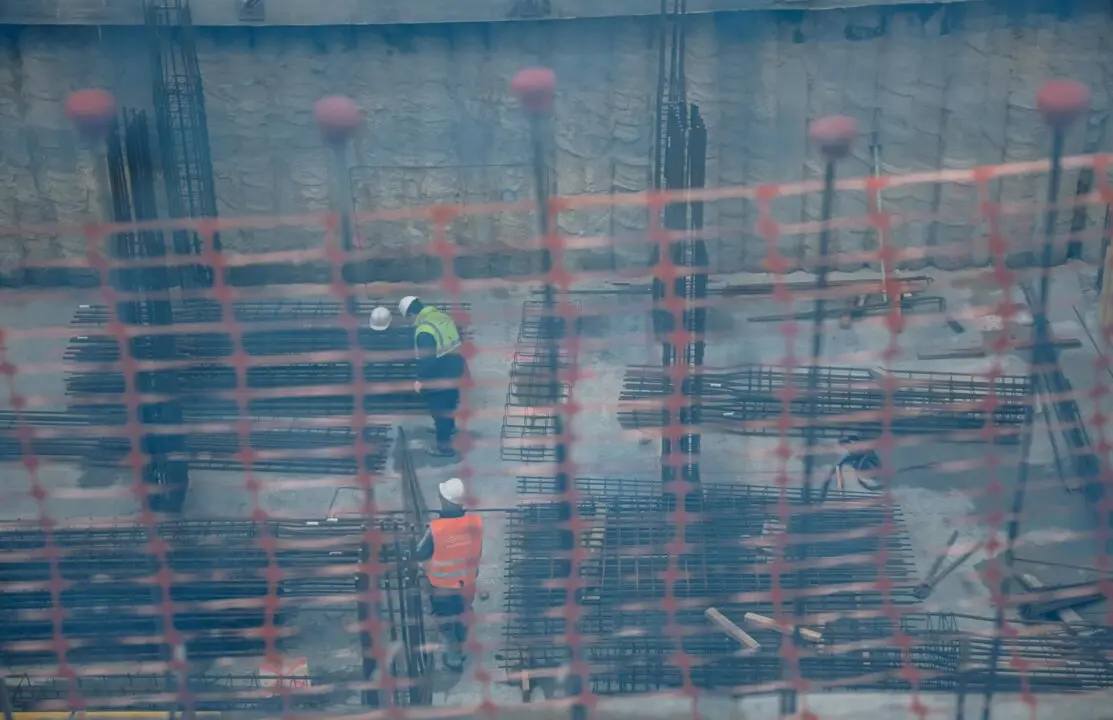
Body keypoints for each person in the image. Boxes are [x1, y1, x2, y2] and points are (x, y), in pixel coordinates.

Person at [415, 477, 483, 671]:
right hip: (467, 584)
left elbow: (420, 553)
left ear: (444, 500)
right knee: (462, 615)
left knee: (445, 620)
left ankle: (453, 656)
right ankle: (460, 646)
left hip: (442, 588)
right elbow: (477, 552)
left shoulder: (436, 529)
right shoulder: (475, 523)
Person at [398, 295, 467, 458]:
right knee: (449, 404)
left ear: (410, 315)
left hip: (439, 376)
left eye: (407, 319)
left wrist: (420, 380)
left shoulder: (424, 330)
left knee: (439, 409)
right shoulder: (442, 317)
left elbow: (427, 359)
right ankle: (448, 428)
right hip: (455, 368)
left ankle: (444, 448)